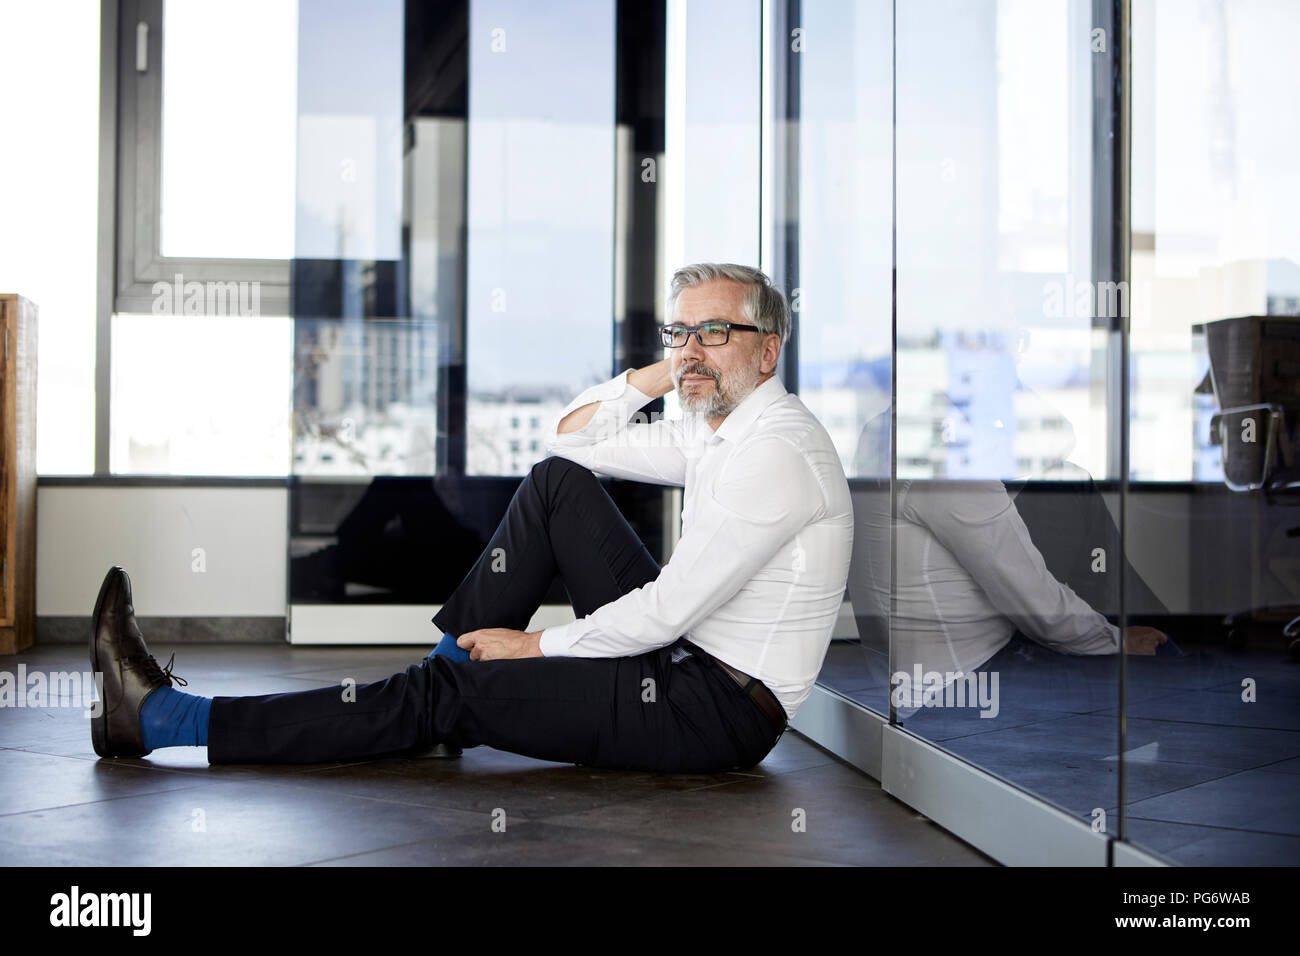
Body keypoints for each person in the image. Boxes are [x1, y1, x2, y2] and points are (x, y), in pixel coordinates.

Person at [90, 263, 854, 773]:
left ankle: (162, 720)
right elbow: (569, 441)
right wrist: (672, 368)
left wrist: (531, 647)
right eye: (679, 332)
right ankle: (441, 684)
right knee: (557, 484)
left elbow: (665, 611)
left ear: (769, 353)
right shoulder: (718, 428)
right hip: (682, 655)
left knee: (447, 698)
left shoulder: (775, 454)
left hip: (712, 709)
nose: (692, 350)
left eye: (715, 333)